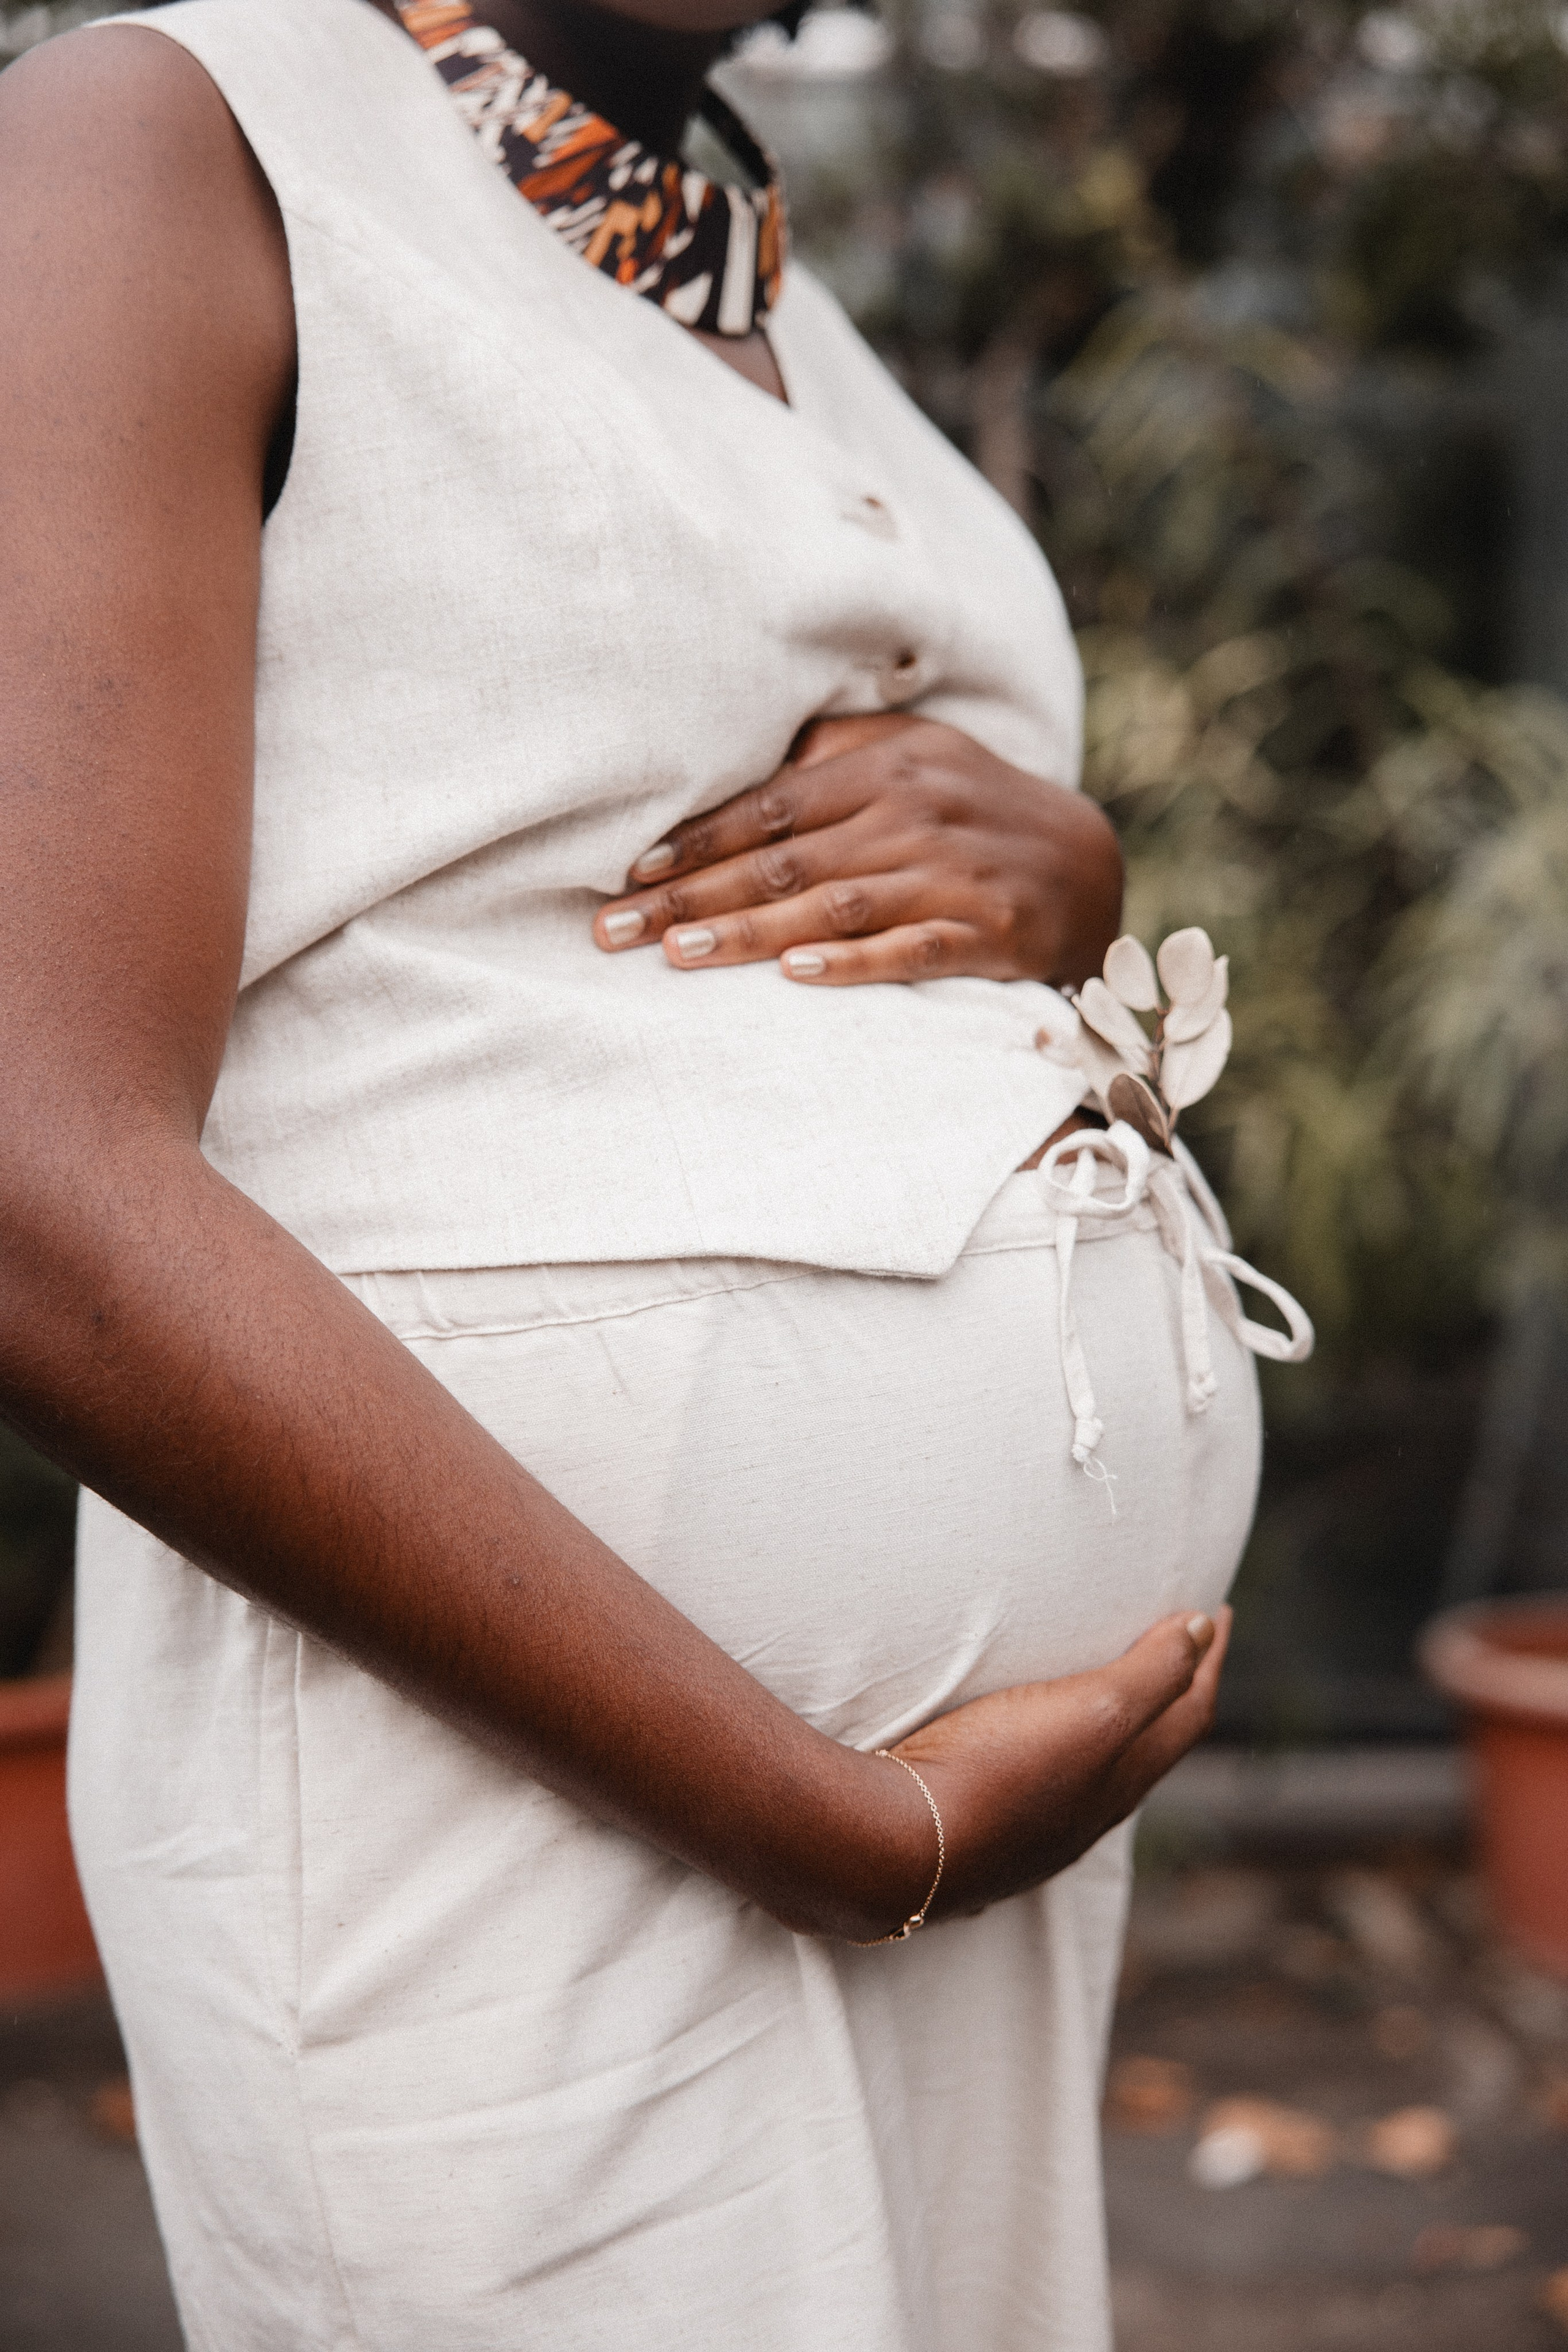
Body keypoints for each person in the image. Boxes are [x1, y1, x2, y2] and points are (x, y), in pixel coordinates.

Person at [0, 2, 1295, 2345]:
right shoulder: (159, 140)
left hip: (960, 1838)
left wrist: (1069, 877)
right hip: (527, 1822)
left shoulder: (759, 273)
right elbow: (24, 1160)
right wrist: (822, 1818)